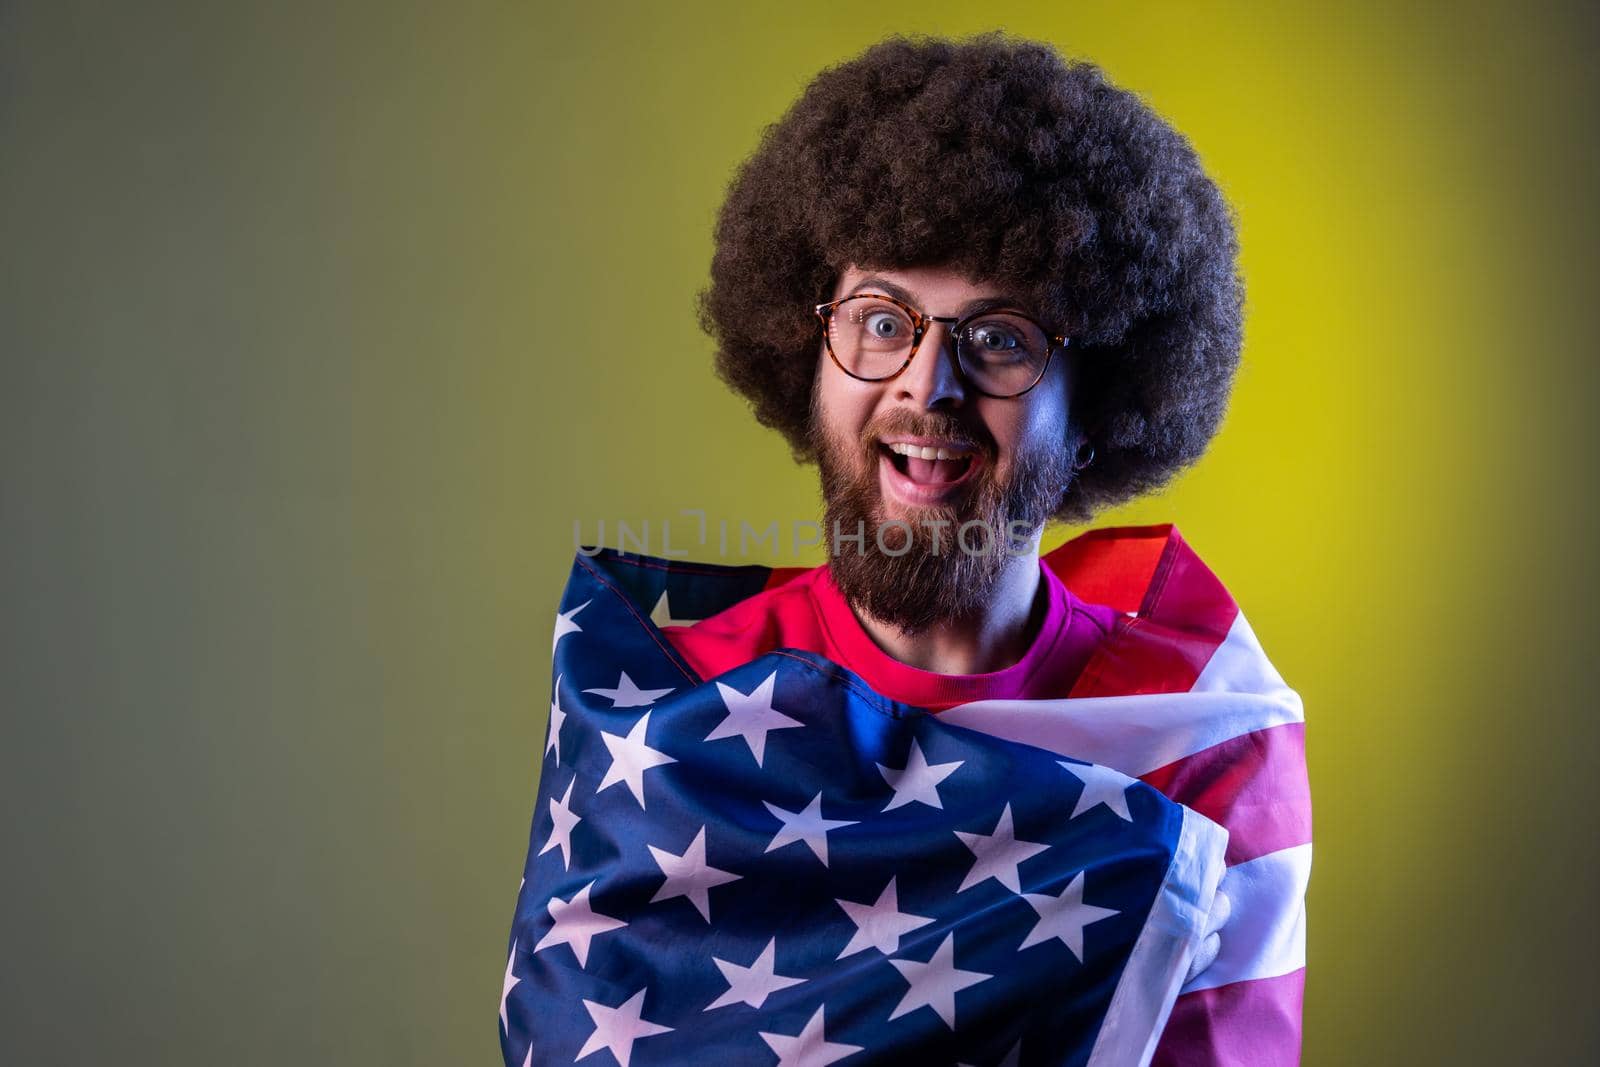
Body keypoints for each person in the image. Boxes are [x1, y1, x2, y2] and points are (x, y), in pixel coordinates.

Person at [504, 31, 1310, 1066]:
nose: (926, 386)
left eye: (1000, 338)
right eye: (881, 321)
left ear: (1099, 399)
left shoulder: (1197, 739)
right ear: (808, 353)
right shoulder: (669, 710)